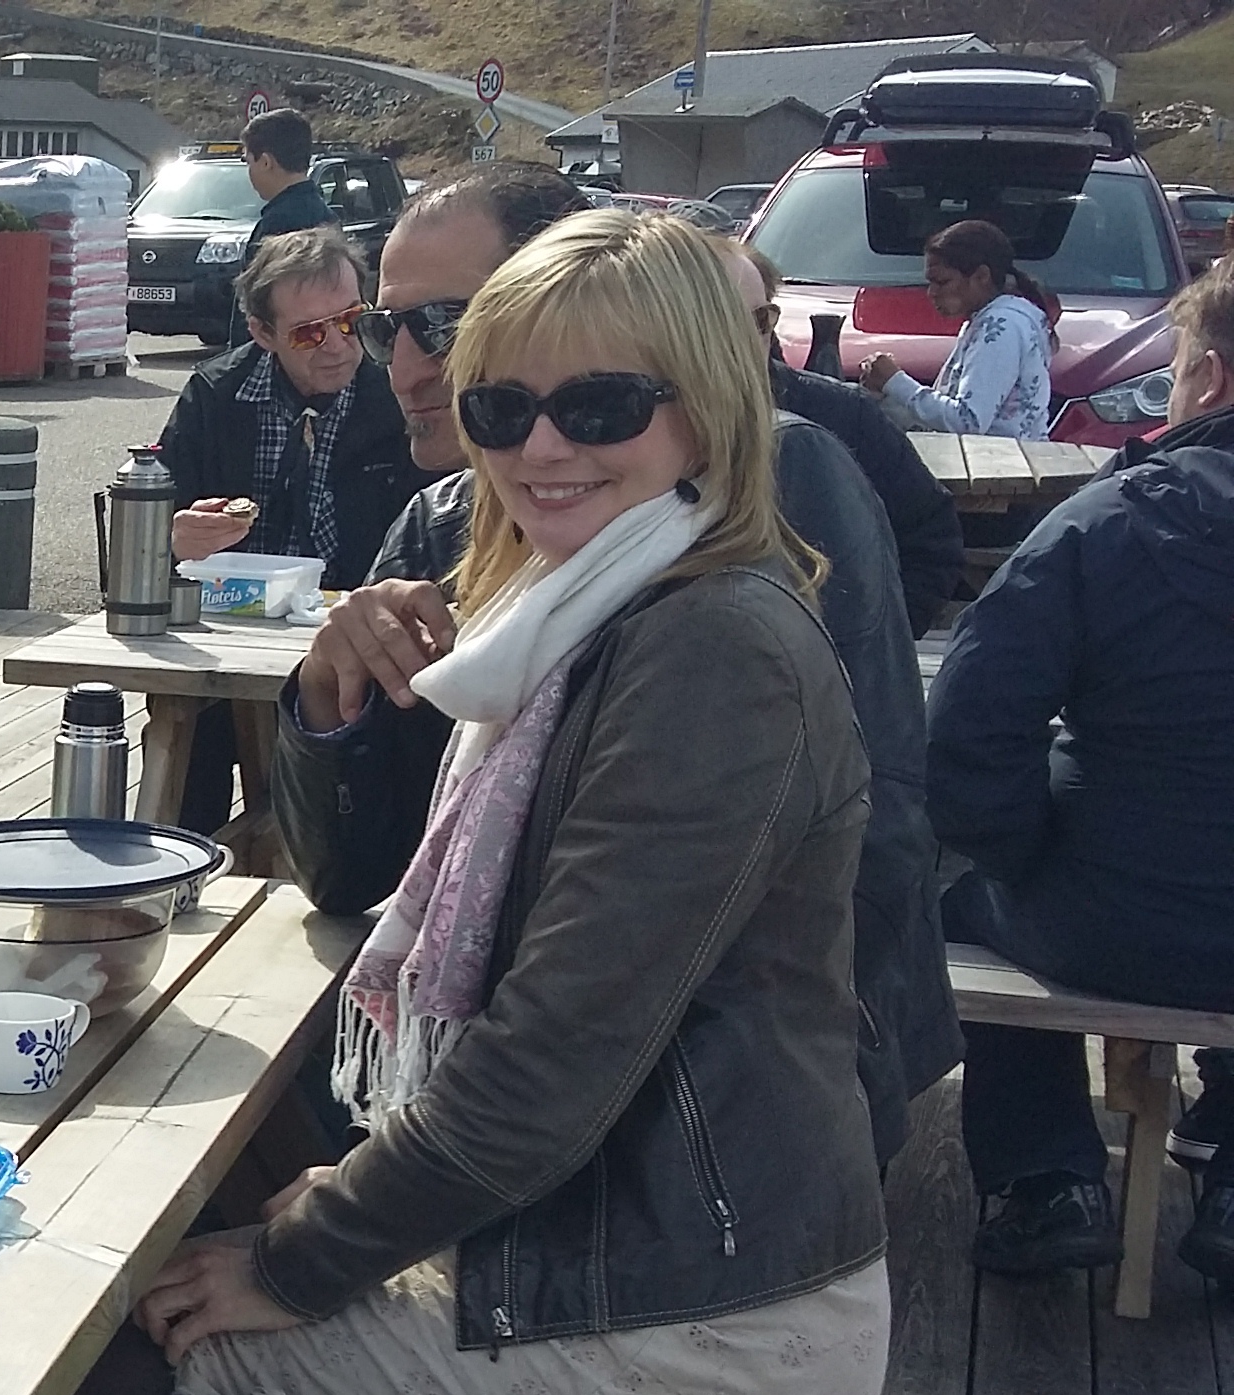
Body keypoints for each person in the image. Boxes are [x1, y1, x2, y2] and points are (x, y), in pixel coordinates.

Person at [69, 210, 889, 1395]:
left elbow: (539, 1075)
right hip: (641, 1244)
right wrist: (324, 702)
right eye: (505, 405)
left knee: (138, 1376)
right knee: (218, 1241)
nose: (540, 448)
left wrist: (301, 1257)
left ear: (710, 406)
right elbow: (357, 879)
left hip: (703, 1321)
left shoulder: (708, 651)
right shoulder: (571, 610)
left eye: (601, 406)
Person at [306, 171, 957, 1165]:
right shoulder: (447, 523)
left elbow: (877, 830)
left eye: (441, 325)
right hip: (492, 1097)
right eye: (382, 326)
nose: (401, 365)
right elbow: (353, 872)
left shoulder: (772, 500)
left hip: (705, 1130)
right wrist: (326, 699)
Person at [926, 257, 1234, 1277]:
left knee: (960, 893)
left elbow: (968, 732)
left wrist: (1025, 854)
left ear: (1210, 380)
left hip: (1106, 920)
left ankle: (1048, 1177)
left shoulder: (1110, 522)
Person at [159, 225, 428, 831]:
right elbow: (154, 522)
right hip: (230, 627)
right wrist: (175, 536)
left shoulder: (398, 391)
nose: (337, 346)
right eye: (309, 332)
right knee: (186, 745)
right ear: (262, 334)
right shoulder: (217, 395)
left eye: (351, 321)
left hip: (356, 636)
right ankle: (182, 863)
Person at [734, 240, 967, 631]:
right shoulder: (647, 421)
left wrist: (875, 636)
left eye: (760, 319)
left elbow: (930, 536)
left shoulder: (842, 416)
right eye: (713, 318)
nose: (735, 337)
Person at [858, 218, 1056, 440]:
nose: (931, 293)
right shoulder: (992, 319)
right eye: (930, 283)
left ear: (982, 276)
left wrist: (895, 381)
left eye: (942, 282)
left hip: (998, 459)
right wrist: (887, 393)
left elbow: (968, 422)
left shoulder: (1002, 326)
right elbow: (948, 415)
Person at [229, 109, 334, 345]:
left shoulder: (277, 225)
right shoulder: (326, 216)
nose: (249, 172)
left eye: (248, 161)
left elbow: (259, 308)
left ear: (266, 162)